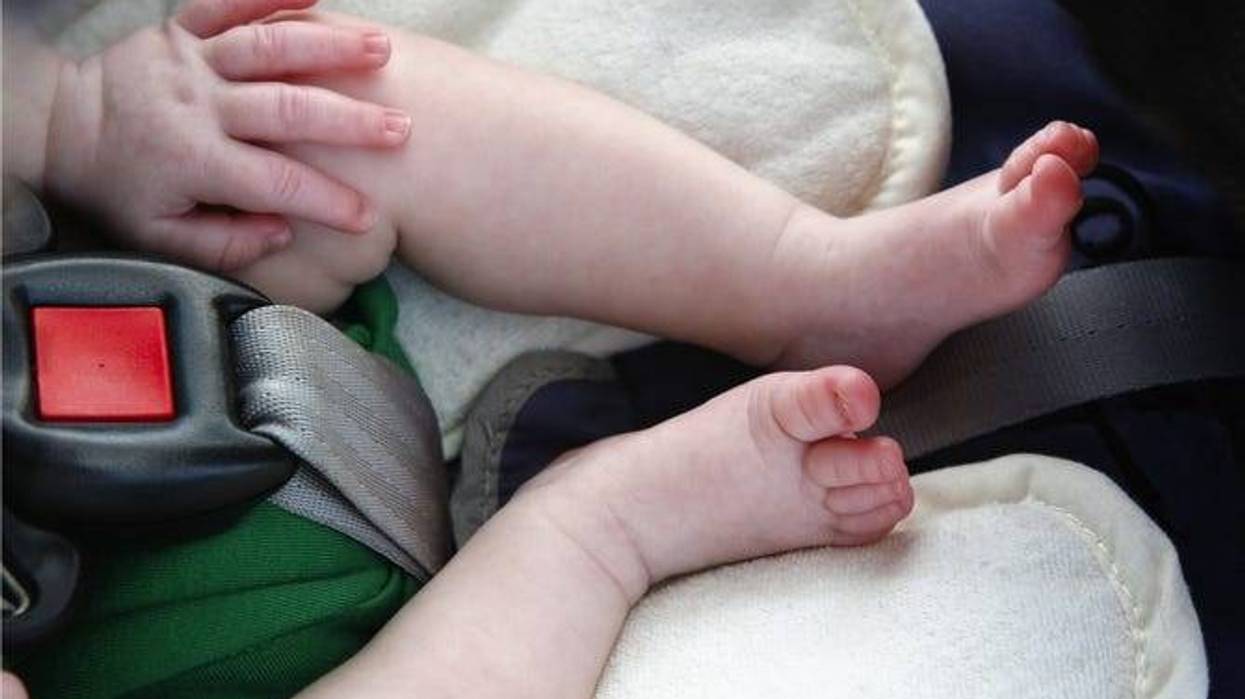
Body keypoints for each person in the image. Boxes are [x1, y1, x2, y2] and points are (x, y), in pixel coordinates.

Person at [2, 0, 1100, 696]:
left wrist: (74, 117)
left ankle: (808, 280)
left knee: (314, 111)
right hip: (193, 657)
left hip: (165, 296)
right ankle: (603, 530)